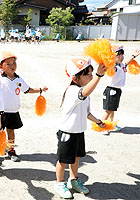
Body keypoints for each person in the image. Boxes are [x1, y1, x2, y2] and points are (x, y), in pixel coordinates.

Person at [54, 59, 106, 199]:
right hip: (67, 132)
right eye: (87, 74)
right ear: (75, 77)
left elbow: (87, 113)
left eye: (91, 73)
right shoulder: (73, 91)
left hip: (79, 132)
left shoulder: (84, 94)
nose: (90, 76)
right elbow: (84, 93)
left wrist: (98, 122)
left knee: (76, 158)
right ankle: (59, 183)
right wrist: (98, 76)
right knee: (63, 160)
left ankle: (73, 180)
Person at [0, 51, 48, 164]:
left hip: (13, 111)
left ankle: (11, 150)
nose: (12, 65)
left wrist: (40, 89)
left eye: (14, 63)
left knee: (11, 131)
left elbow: (27, 90)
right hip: (0, 112)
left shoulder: (18, 79)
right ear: (1, 66)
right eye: (8, 63)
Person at [101, 46, 140, 134]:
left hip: (117, 90)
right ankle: (101, 127)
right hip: (111, 90)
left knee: (112, 109)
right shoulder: (113, 67)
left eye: (122, 55)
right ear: (113, 57)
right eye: (119, 55)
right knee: (108, 110)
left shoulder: (121, 65)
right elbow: (109, 67)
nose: (121, 57)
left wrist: (133, 56)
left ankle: (111, 124)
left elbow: (126, 63)